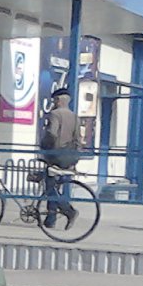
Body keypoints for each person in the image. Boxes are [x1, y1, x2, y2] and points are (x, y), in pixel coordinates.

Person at [39, 86, 81, 229]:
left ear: (58, 100)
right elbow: (78, 140)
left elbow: (51, 133)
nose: (54, 103)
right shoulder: (75, 116)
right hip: (68, 158)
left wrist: (44, 146)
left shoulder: (55, 114)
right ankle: (50, 219)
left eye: (54, 100)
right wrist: (74, 159)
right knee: (54, 186)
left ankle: (69, 211)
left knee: (50, 186)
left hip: (55, 156)